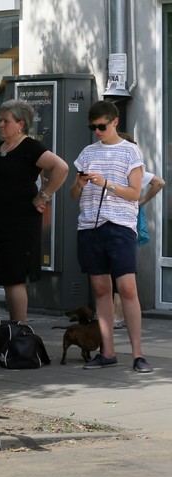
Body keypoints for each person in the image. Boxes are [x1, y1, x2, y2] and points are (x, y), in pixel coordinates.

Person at [72, 101, 151, 373]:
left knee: (127, 288)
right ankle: (107, 352)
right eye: (93, 127)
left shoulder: (131, 151)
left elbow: (134, 194)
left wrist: (106, 183)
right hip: (90, 227)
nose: (97, 131)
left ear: (115, 122)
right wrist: (79, 184)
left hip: (120, 226)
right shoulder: (87, 153)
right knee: (101, 290)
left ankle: (138, 355)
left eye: (101, 126)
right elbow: (73, 196)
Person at [0, 99, 68, 323]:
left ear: (21, 124)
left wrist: (44, 195)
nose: (0, 124)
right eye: (0, 120)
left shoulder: (30, 146)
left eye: (6, 121)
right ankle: (14, 327)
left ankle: (20, 331)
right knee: (7, 278)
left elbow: (61, 167)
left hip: (18, 223)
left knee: (14, 277)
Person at [112, 133, 165, 329]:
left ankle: (118, 315)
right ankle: (118, 314)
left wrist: (140, 201)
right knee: (122, 270)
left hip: (122, 223)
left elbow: (160, 182)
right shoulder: (135, 170)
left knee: (119, 272)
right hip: (126, 224)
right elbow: (159, 182)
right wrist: (141, 202)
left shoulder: (129, 169)